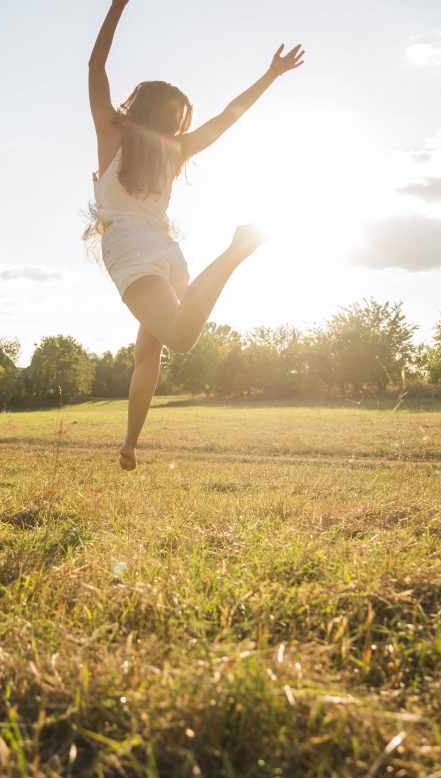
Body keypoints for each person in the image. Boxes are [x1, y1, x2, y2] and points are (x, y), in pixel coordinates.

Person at [87, 0, 305, 470]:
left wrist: (116, 7)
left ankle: (234, 252)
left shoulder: (112, 132)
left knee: (179, 337)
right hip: (168, 249)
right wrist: (271, 74)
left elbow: (96, 64)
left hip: (130, 245)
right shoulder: (175, 150)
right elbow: (229, 116)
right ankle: (129, 445)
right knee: (149, 352)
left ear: (135, 104)